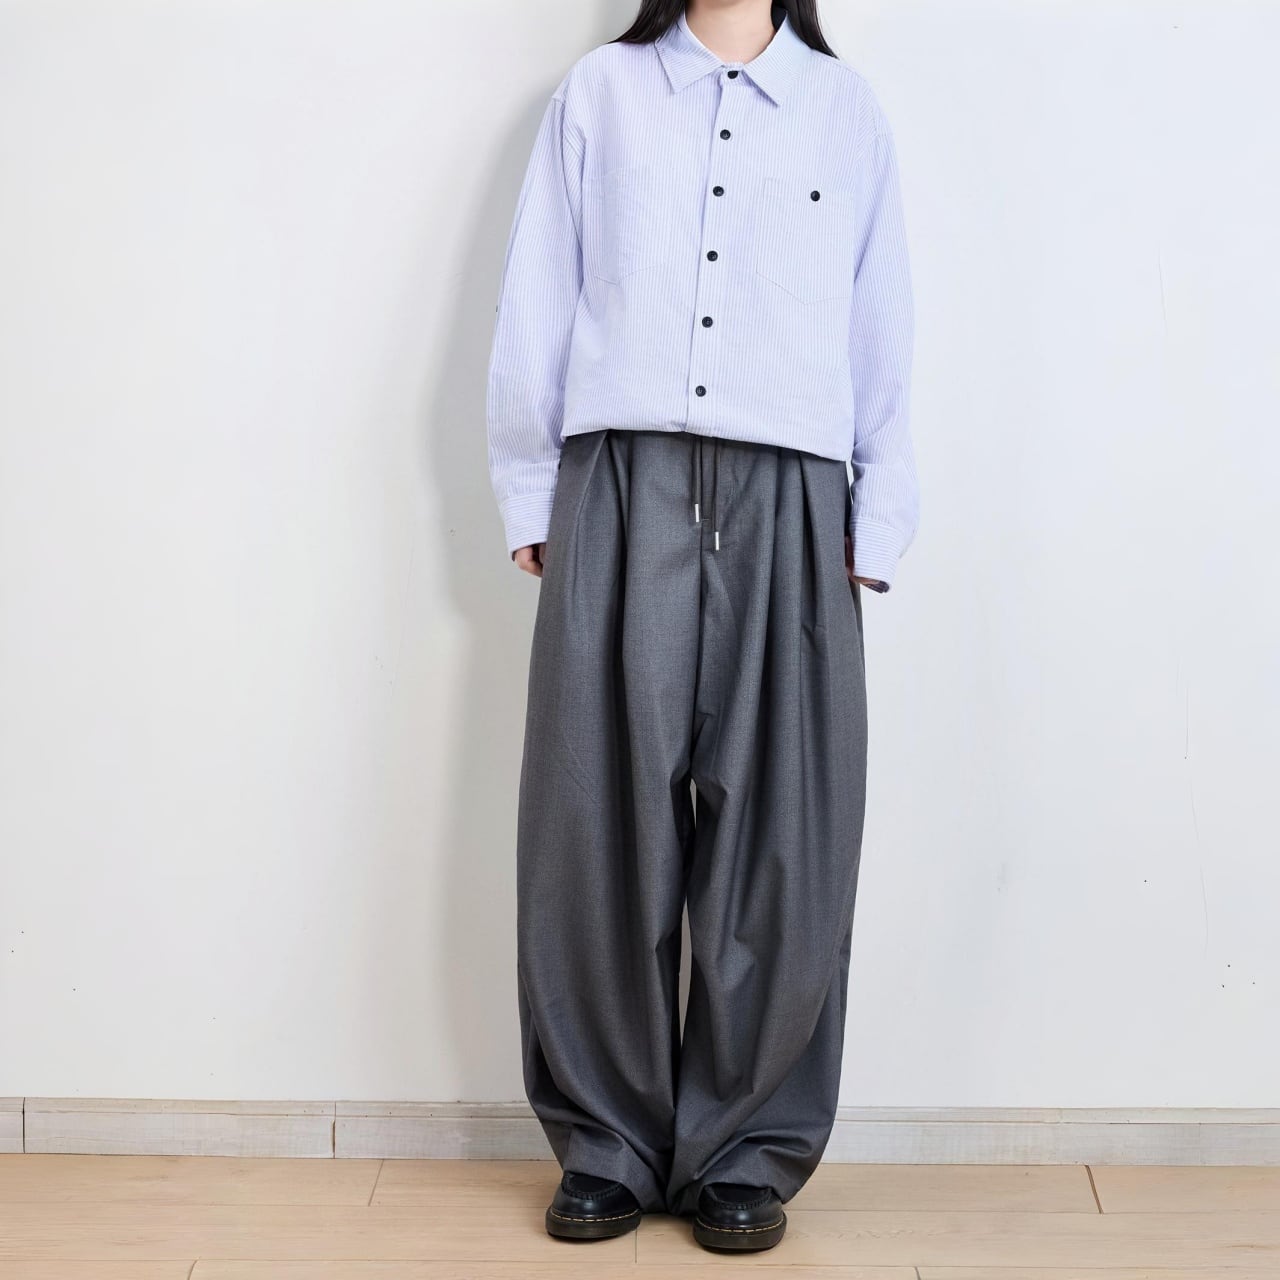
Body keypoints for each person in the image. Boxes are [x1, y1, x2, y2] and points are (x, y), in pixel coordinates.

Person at [485, 0, 917, 1254]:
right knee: (592, 819)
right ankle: (606, 1142)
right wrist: (531, 487)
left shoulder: (843, 112)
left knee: (786, 829)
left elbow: (879, 318)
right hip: (619, 474)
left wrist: (877, 516)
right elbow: (540, 288)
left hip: (793, 492)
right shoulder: (601, 94)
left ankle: (744, 1146)